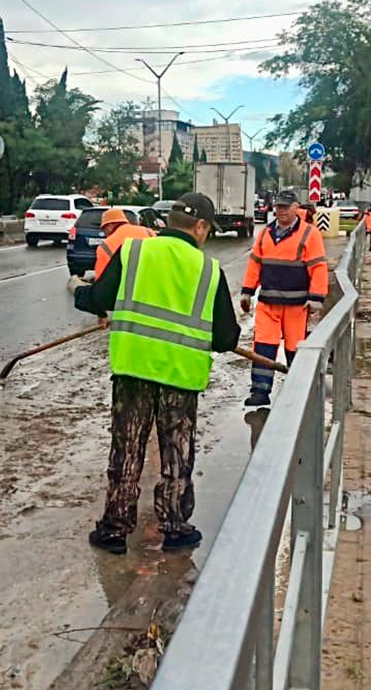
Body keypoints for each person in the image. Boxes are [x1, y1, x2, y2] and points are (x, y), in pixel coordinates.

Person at [70, 192, 242, 555]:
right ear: (199, 227)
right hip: (181, 377)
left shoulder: (133, 253)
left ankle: (115, 529)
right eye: (208, 230)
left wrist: (77, 291)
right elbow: (227, 338)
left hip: (133, 369)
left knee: (127, 449)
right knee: (177, 453)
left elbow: (99, 299)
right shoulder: (209, 270)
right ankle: (176, 528)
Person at [240, 188, 329, 407]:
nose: (281, 211)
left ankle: (297, 390)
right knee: (263, 347)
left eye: (285, 207)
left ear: (296, 208)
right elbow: (255, 265)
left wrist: (316, 296)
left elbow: (318, 267)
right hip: (268, 303)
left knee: (294, 348)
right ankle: (260, 392)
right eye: (278, 207)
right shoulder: (265, 234)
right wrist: (247, 291)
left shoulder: (309, 234)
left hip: (296, 305)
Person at [94, 208, 156, 280]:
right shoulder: (149, 232)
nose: (104, 233)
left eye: (104, 229)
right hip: (154, 279)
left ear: (110, 226)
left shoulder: (105, 246)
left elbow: (101, 278)